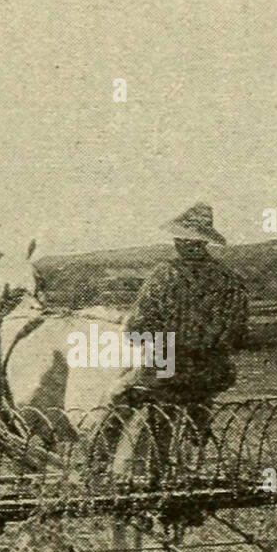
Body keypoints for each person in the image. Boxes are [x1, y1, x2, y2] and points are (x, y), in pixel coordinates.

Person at [109, 203, 250, 481]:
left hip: (168, 367)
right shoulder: (231, 279)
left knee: (115, 395)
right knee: (193, 395)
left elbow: (136, 327)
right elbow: (239, 334)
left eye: (180, 238)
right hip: (214, 371)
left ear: (182, 241)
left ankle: (100, 466)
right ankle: (195, 429)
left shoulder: (166, 274)